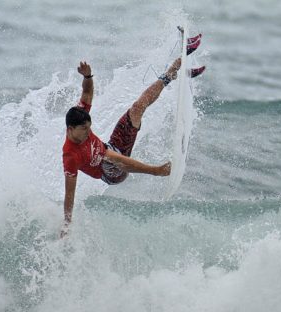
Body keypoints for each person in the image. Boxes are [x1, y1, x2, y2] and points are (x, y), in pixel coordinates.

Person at [61, 35, 205, 236]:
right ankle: (159, 171)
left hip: (112, 148)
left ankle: (174, 70)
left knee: (137, 108)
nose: (87, 132)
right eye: (84, 130)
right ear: (70, 129)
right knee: (109, 159)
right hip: (111, 173)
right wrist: (67, 225)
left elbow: (86, 95)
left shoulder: (79, 116)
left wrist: (87, 77)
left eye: (89, 128)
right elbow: (69, 194)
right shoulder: (70, 156)